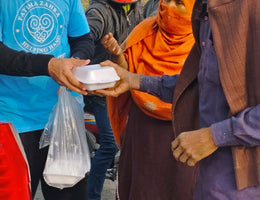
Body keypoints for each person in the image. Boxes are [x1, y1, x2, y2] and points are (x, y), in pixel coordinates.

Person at [95, 0, 260, 199]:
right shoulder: (206, 14)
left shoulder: (250, 12)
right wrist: (134, 79)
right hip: (204, 179)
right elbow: (196, 82)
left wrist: (214, 136)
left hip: (241, 184)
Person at [101, 0, 196, 199]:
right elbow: (127, 80)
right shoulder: (144, 31)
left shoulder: (206, 43)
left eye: (178, 3)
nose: (168, 7)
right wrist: (119, 56)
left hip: (186, 136)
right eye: (166, 0)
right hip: (143, 133)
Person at [0, 0, 94, 199]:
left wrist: (74, 64)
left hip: (65, 117)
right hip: (13, 122)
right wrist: (49, 65)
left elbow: (83, 40)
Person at [84, 1, 143, 199]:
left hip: (126, 85)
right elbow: (82, 39)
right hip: (102, 92)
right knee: (111, 144)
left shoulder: (137, 9)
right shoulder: (99, 11)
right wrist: (77, 60)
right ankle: (92, 195)